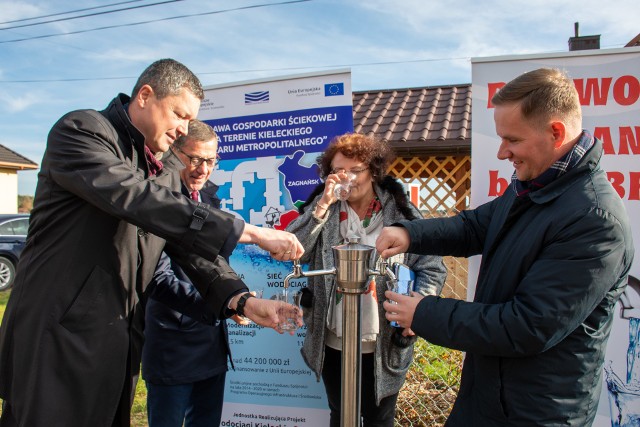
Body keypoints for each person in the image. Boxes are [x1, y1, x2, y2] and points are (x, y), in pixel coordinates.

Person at [0, 59, 303, 427]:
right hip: (55, 342)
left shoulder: (160, 172)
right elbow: (135, 198)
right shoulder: (82, 131)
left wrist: (241, 299)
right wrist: (250, 231)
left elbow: (190, 250)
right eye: (179, 113)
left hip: (116, 347)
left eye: (190, 121)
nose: (183, 128)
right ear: (145, 95)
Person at [376, 68, 635, 426]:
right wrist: (410, 233)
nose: (502, 152)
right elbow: (474, 226)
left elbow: (526, 326)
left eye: (511, 139)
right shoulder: (534, 186)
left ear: (556, 132)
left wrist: (423, 313)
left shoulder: (594, 220)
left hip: (536, 412)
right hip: (487, 395)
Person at [286, 132, 447, 427]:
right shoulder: (326, 208)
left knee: (379, 418)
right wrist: (321, 205)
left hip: (382, 341)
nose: (344, 178)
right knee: (340, 413)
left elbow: (432, 267)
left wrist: (418, 308)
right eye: (337, 171)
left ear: (373, 171)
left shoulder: (402, 213)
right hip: (333, 338)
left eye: (354, 170)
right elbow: (293, 251)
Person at [142, 120, 235, 427]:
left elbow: (216, 261)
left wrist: (234, 297)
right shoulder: (158, 197)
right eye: (194, 159)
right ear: (174, 152)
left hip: (211, 340)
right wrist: (222, 302)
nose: (202, 169)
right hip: (172, 341)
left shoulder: (210, 196)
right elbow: (158, 277)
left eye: (210, 160)